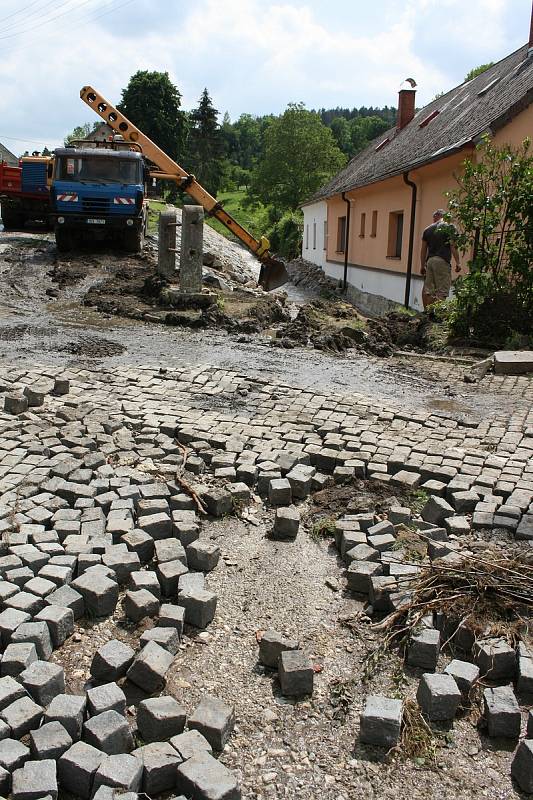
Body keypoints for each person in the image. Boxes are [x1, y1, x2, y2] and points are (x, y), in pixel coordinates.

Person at [420, 209, 461, 309]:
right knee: (441, 291)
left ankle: (427, 313)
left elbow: (423, 250)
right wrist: (458, 262)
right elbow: (453, 246)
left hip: (430, 261)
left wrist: (422, 266)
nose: (433, 220)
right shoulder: (450, 228)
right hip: (442, 261)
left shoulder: (427, 230)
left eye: (433, 218)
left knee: (428, 290)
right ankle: (436, 315)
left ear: (436, 216)